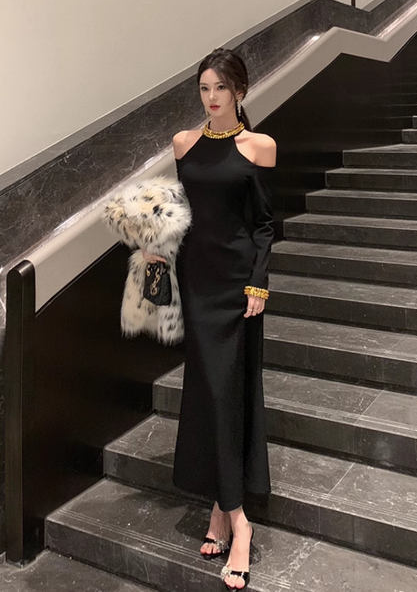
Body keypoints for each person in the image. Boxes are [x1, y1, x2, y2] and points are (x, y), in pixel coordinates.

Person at [144, 48, 276, 590]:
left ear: (240, 91)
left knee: (230, 393)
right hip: (198, 284)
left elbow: (264, 224)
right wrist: (158, 245)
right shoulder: (183, 144)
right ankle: (226, 509)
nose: (212, 97)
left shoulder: (259, 147)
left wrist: (259, 282)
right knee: (209, 393)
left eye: (221, 87)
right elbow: (184, 212)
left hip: (238, 287)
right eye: (204, 88)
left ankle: (235, 521)